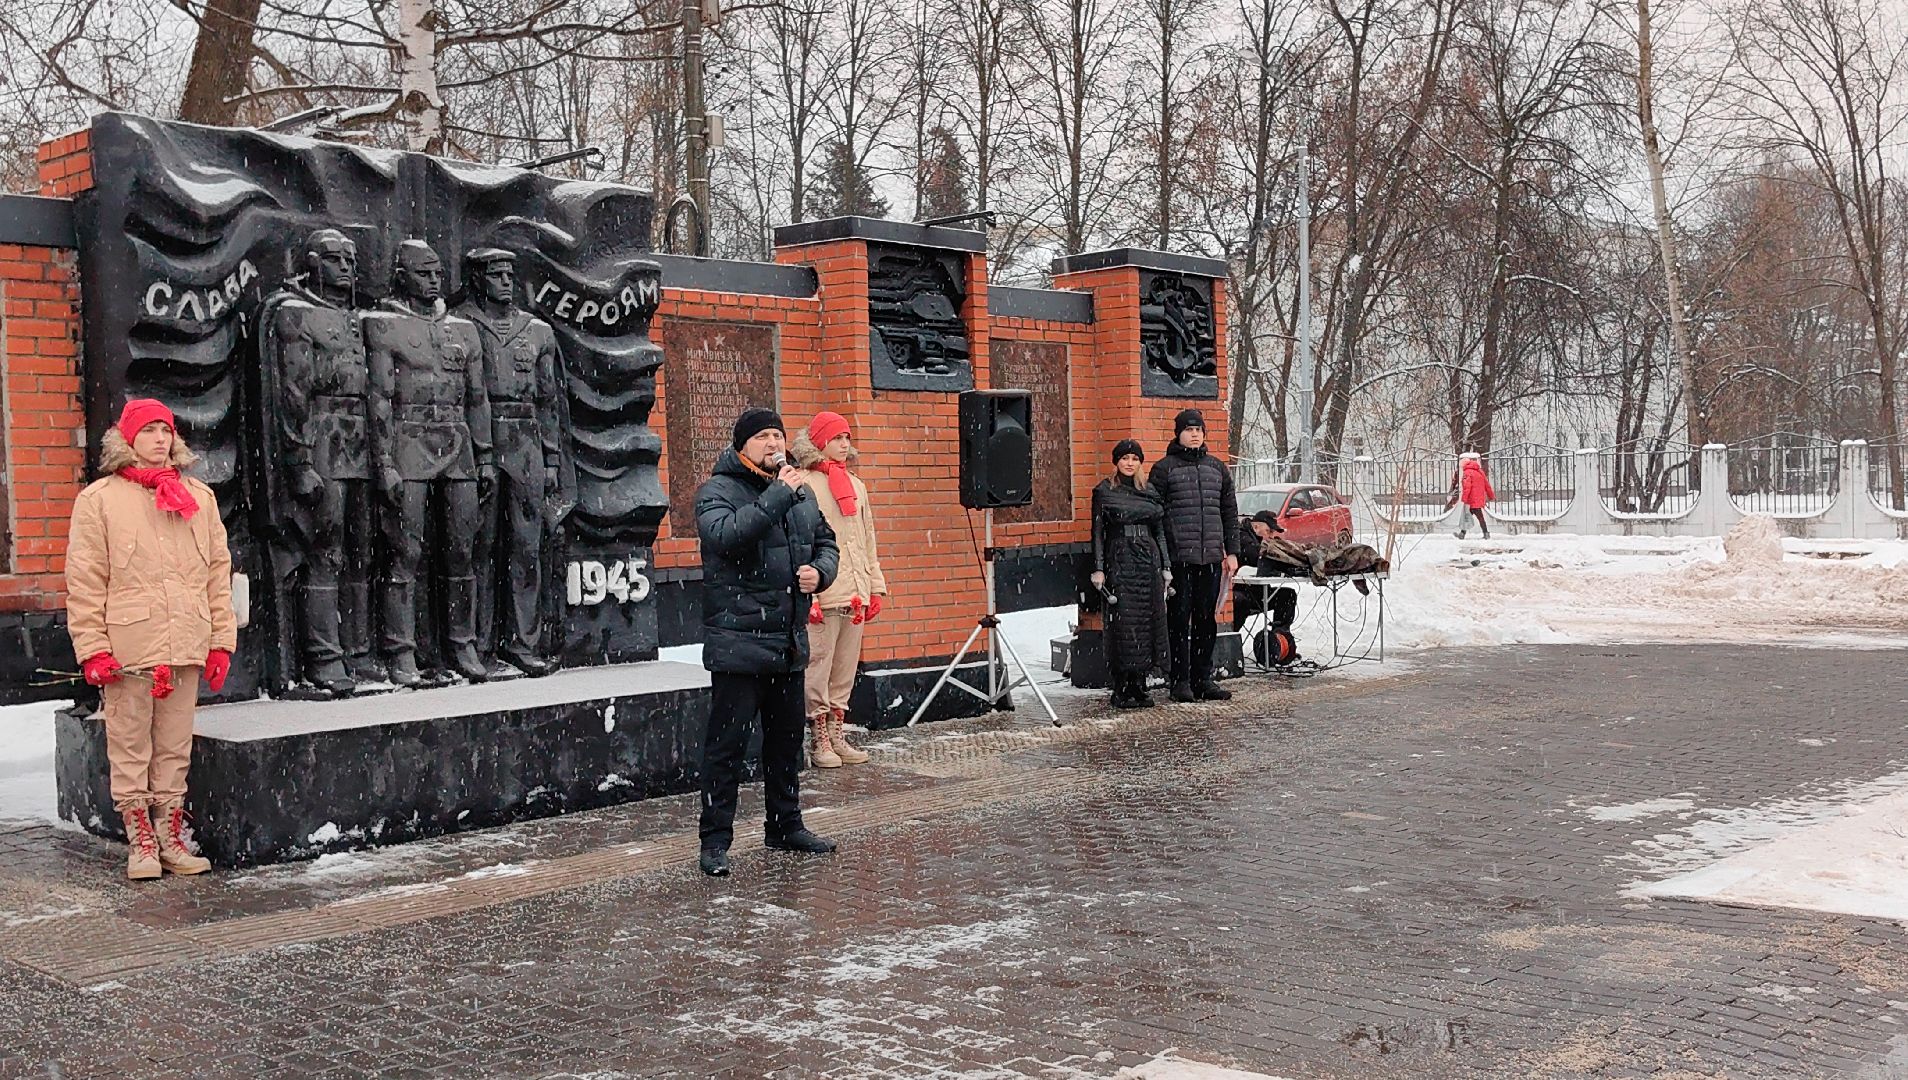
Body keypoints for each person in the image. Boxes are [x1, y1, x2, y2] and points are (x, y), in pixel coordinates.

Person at [65, 399, 236, 880]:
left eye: (166, 431)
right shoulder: (99, 501)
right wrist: (93, 649)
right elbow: (85, 581)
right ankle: (140, 840)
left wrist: (220, 642)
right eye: (149, 431)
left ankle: (169, 836)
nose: (160, 439)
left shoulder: (198, 497)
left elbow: (216, 573)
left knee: (174, 747)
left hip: (186, 639)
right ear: (128, 439)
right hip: (130, 647)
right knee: (129, 745)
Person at [694, 408, 841, 878]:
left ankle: (785, 826)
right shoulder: (717, 491)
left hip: (787, 644)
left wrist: (820, 572)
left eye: (778, 434)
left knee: (785, 745)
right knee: (726, 749)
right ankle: (715, 841)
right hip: (738, 645)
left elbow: (827, 542)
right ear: (742, 446)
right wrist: (777, 494)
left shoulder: (800, 491)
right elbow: (726, 537)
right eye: (762, 436)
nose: (774, 443)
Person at [792, 411, 887, 767]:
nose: (845, 444)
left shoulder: (856, 485)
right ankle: (819, 738)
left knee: (844, 668)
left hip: (854, 591)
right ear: (820, 442)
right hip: (825, 589)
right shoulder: (804, 484)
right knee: (818, 666)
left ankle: (837, 733)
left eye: (847, 438)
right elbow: (802, 543)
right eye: (837, 438)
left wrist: (874, 586)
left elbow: (866, 539)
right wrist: (811, 595)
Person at [1148, 409, 1240, 703]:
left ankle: (1203, 678)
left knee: (1206, 620)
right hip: (1179, 559)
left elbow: (1229, 512)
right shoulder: (1164, 469)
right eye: (1189, 430)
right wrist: (1163, 556)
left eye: (1199, 429)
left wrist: (1232, 551)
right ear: (1178, 434)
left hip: (1210, 557)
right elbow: (1155, 515)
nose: (1195, 434)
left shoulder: (1217, 468)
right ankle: (1180, 680)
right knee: (1178, 620)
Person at [1091, 439, 1171, 709]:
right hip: (1120, 559)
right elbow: (1097, 532)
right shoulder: (1105, 491)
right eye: (1125, 458)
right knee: (1124, 624)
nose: (1129, 463)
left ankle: (1140, 683)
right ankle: (1122, 685)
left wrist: (1166, 566)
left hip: (1147, 561)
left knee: (1148, 622)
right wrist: (1099, 567)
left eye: (1134, 459)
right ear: (1116, 461)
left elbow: (1159, 531)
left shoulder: (1149, 491)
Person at [1448, 452, 1494, 539]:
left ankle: (1464, 534)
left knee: (1468, 516)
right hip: (1479, 499)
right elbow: (1487, 485)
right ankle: (1482, 533)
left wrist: (1464, 499)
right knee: (1473, 516)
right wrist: (1491, 495)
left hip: (1471, 500)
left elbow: (1467, 487)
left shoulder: (1467, 473)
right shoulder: (1480, 471)